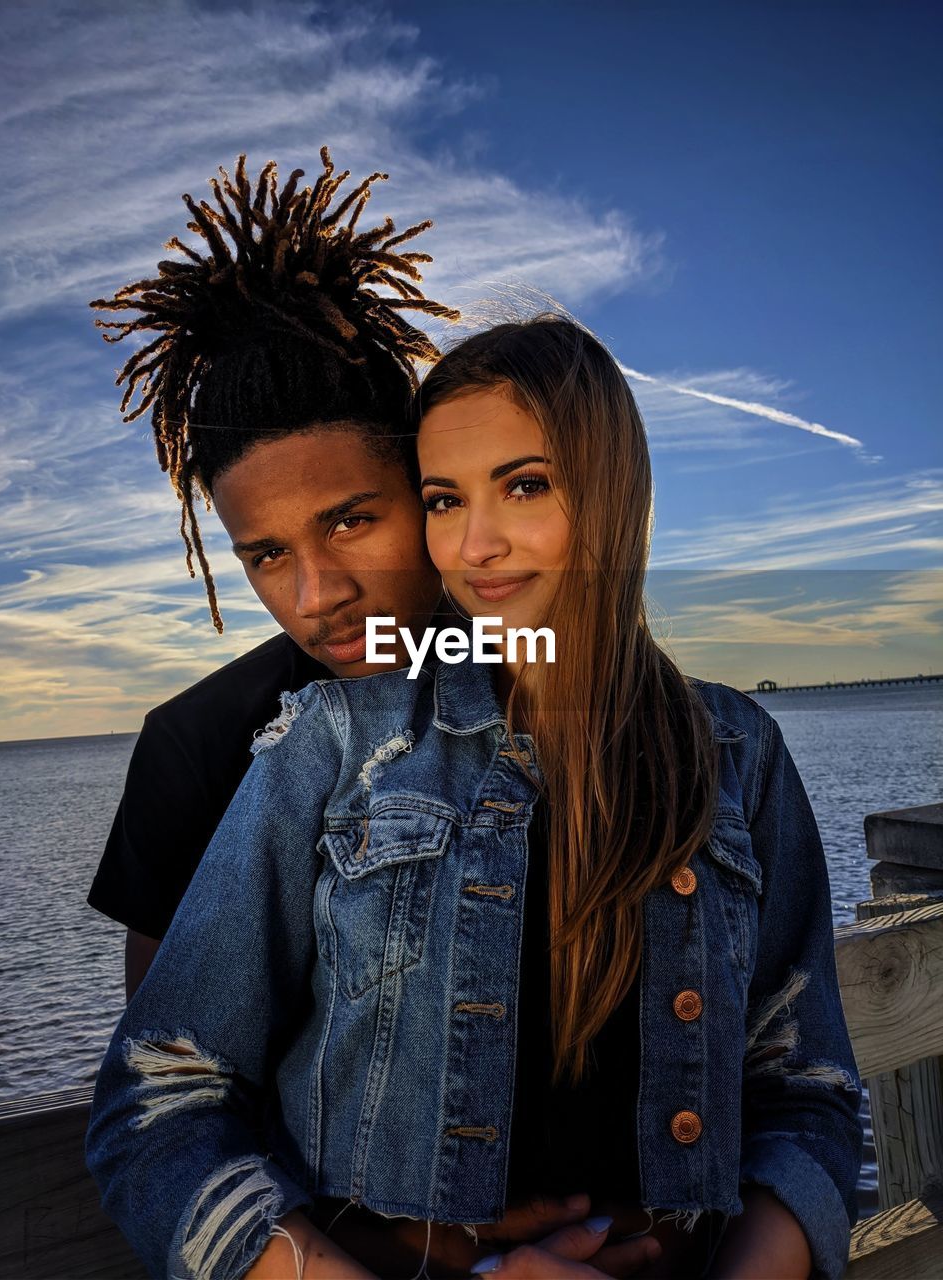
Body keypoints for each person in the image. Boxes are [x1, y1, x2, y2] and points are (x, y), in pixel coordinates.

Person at [86, 315, 863, 1280]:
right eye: (449, 499)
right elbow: (169, 1094)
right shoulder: (313, 742)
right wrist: (406, 1254)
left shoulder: (736, 754)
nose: (316, 593)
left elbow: (806, 1090)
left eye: (525, 485)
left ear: (616, 491)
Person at [85, 148, 455, 994]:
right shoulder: (198, 748)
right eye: (270, 555)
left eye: (352, 521)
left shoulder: (554, 676)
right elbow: (166, 1076)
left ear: (425, 490)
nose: (318, 595)